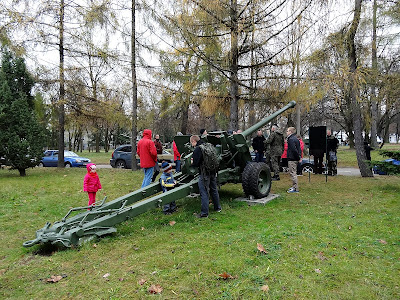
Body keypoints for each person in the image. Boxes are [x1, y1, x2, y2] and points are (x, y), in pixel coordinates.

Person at [190, 135, 221, 218]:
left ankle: (204, 213)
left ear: (194, 141)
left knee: (204, 192)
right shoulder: (208, 145)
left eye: (191, 143)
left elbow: (196, 163)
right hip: (213, 171)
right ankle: (218, 208)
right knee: (214, 189)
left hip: (204, 173)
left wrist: (192, 163)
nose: (191, 145)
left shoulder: (198, 149)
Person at [286, 127, 302, 193]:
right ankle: (294, 186)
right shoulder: (295, 138)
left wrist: (298, 157)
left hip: (292, 158)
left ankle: (295, 188)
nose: (286, 132)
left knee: (293, 173)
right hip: (294, 158)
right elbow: (299, 149)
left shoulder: (291, 139)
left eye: (287, 131)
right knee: (293, 173)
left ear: (291, 132)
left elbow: (294, 149)